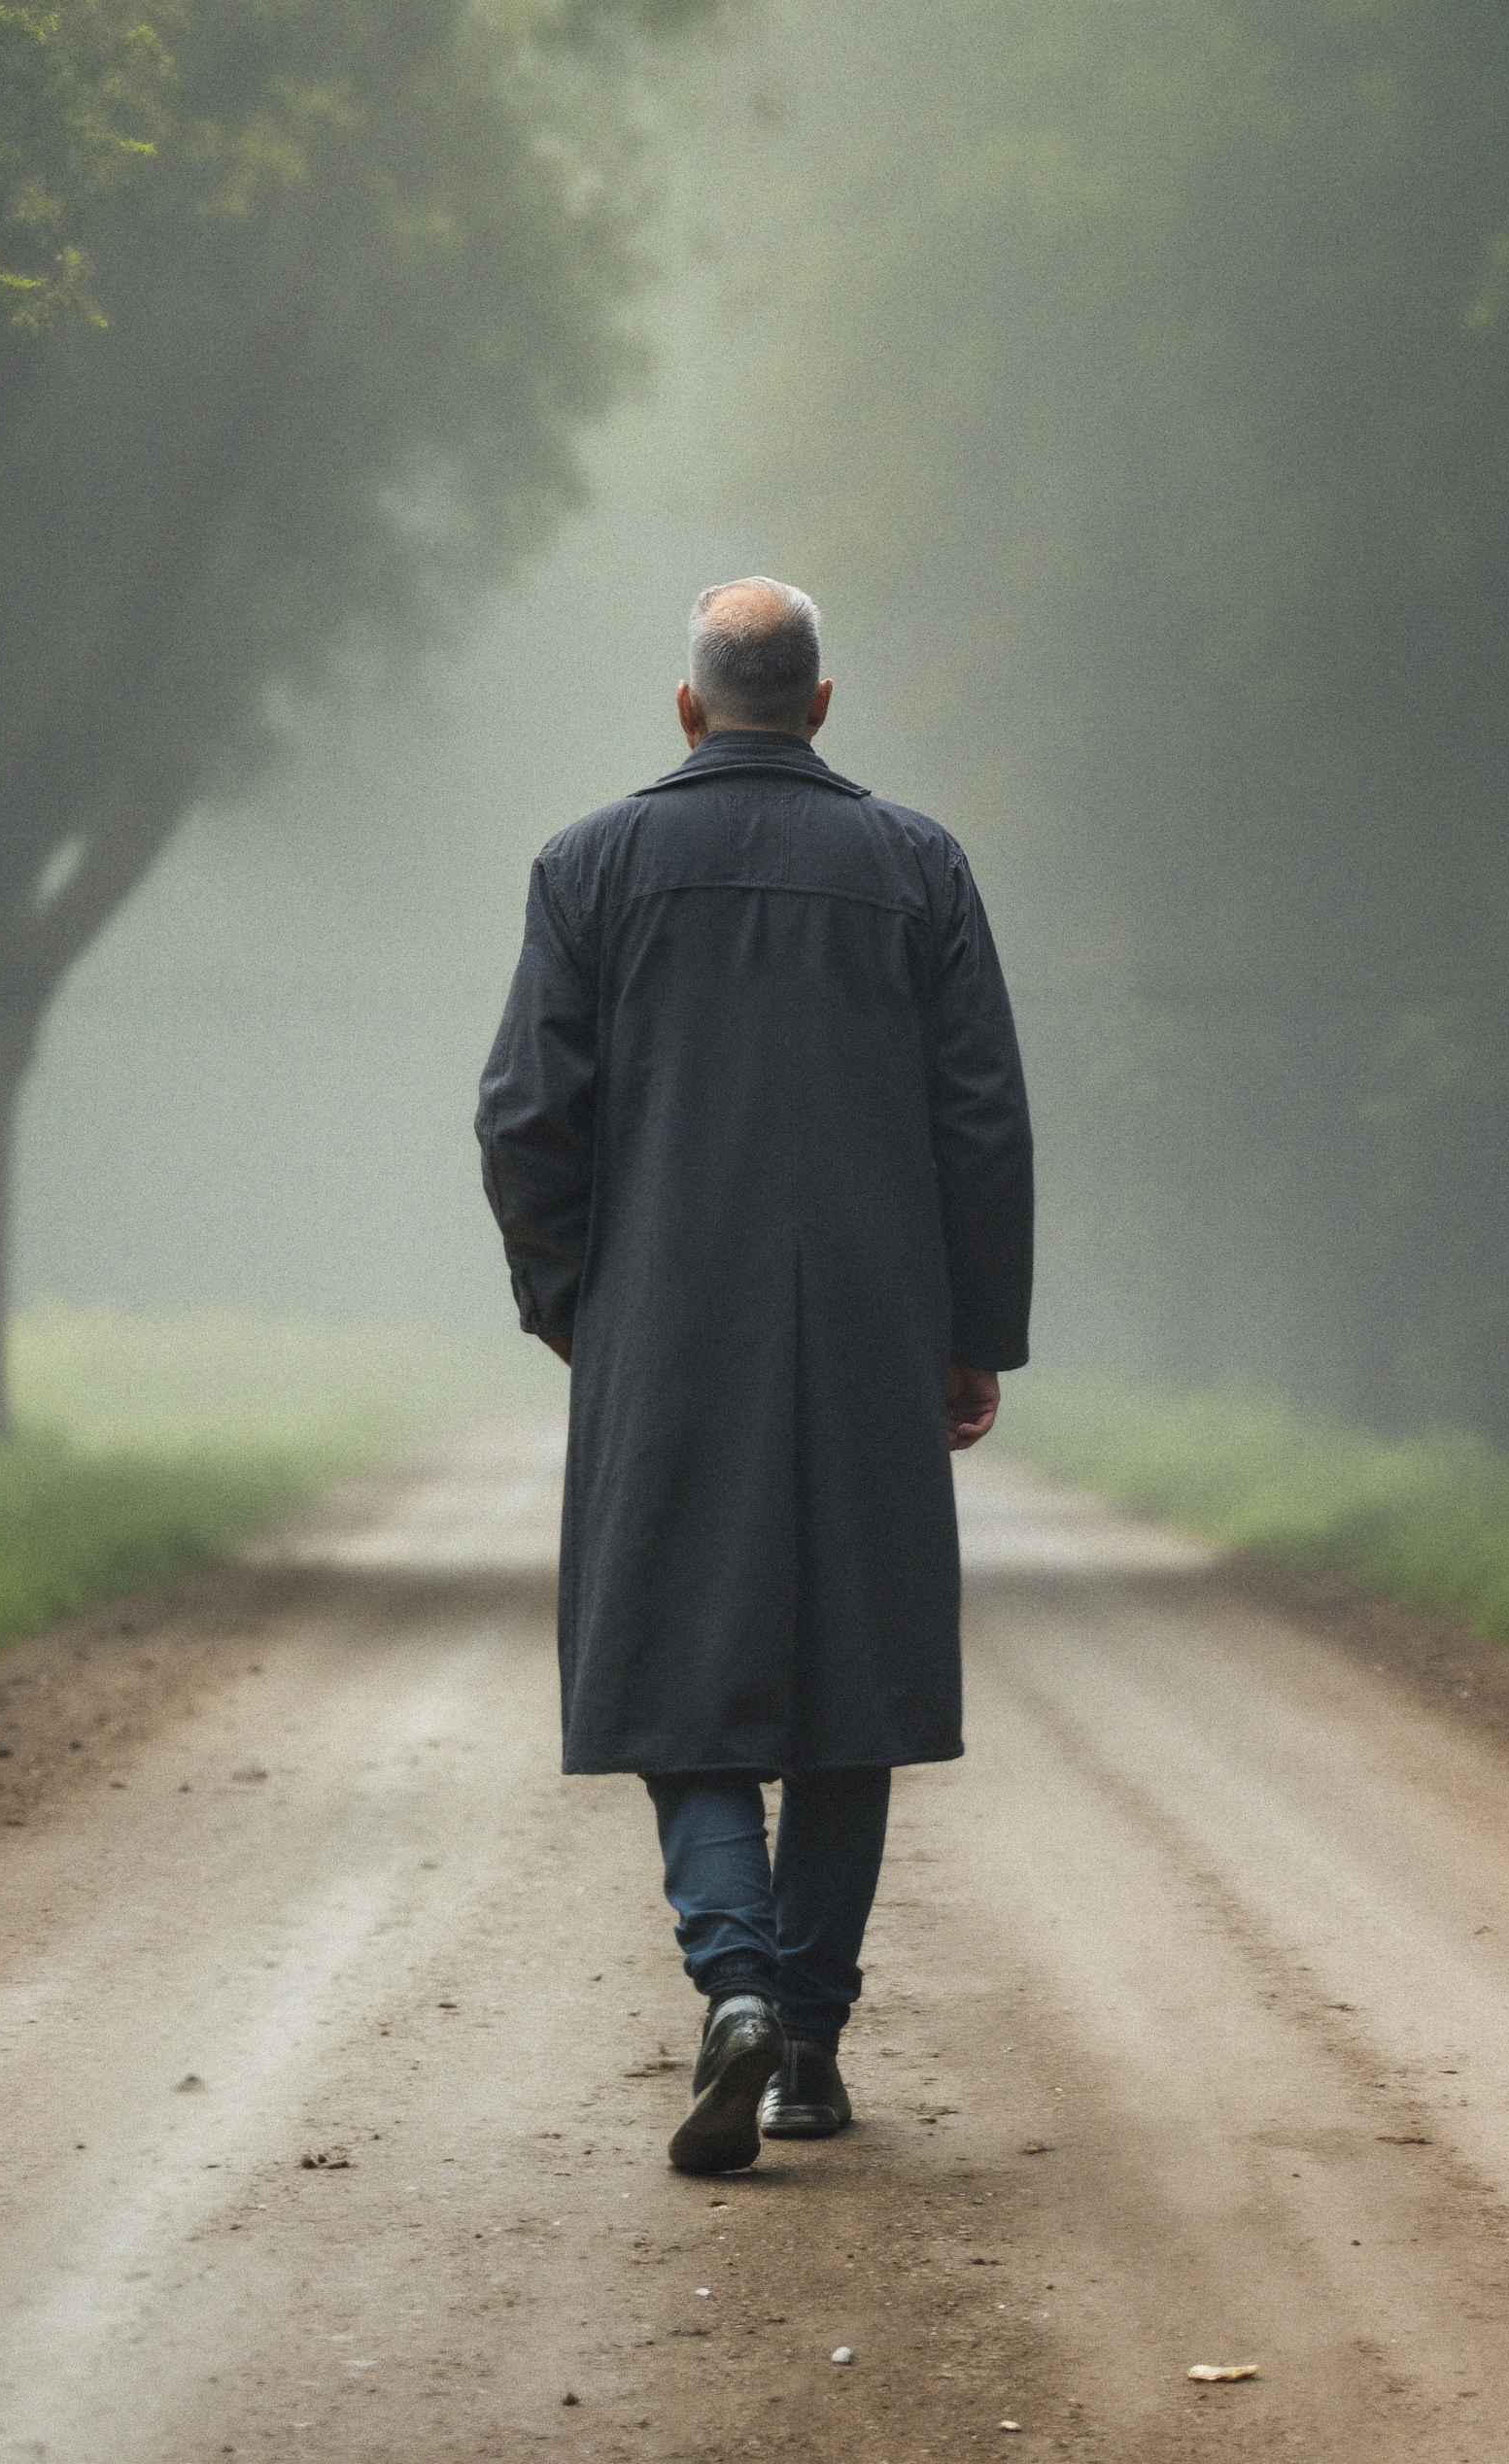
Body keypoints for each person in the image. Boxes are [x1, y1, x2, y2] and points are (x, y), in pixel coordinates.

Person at [474, 577, 1034, 2175]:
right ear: (823, 703)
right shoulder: (918, 870)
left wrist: (574, 1300)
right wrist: (971, 1332)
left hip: (667, 1328)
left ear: (689, 706)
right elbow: (980, 1122)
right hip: (867, 1330)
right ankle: (807, 2048)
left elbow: (526, 1118)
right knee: (849, 1685)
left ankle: (733, 1982)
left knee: (679, 1661)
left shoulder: (590, 867)